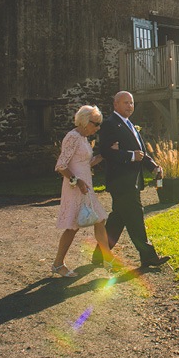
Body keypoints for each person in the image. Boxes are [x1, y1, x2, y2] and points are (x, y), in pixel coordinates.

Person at [91, 92, 171, 268]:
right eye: (125, 103)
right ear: (116, 104)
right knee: (135, 218)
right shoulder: (110, 124)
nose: (129, 106)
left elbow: (141, 152)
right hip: (121, 181)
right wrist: (129, 156)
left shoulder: (130, 125)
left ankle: (99, 255)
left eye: (132, 103)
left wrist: (154, 167)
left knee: (117, 220)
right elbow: (105, 152)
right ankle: (148, 256)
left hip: (131, 181)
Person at [52, 105, 120, 277]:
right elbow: (61, 165)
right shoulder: (72, 137)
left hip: (86, 187)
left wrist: (106, 154)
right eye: (95, 124)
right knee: (72, 227)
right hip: (75, 187)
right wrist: (77, 181)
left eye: (99, 125)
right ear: (83, 121)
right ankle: (58, 264)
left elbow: (85, 163)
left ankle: (107, 259)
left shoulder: (83, 139)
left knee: (99, 220)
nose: (97, 128)